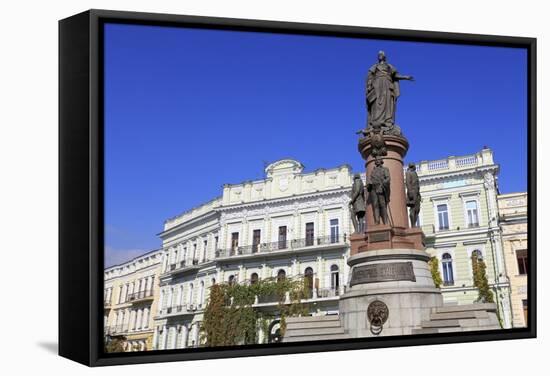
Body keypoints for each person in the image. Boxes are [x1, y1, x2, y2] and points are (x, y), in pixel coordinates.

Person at [366, 51, 414, 130]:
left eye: (381, 55)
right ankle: (376, 121)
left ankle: (387, 121)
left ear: (384, 57)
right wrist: (369, 86)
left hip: (387, 85)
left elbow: (396, 75)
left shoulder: (389, 66)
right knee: (377, 102)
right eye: (379, 55)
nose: (380, 56)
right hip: (377, 85)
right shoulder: (374, 66)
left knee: (387, 103)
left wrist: (405, 77)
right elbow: (370, 77)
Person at [367, 158, 391, 225]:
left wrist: (382, 184)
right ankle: (377, 221)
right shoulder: (373, 171)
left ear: (381, 161)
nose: (376, 161)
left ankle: (385, 221)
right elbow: (371, 179)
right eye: (376, 160)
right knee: (375, 205)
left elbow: (388, 178)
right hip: (373, 189)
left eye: (378, 160)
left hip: (380, 188)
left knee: (382, 205)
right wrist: (369, 184)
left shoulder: (385, 169)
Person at [406, 163, 421, 227]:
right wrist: (410, 192)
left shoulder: (414, 173)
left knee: (417, 209)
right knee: (413, 209)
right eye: (414, 166)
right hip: (412, 192)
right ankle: (413, 225)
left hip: (417, 193)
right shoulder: (408, 173)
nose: (415, 167)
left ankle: (414, 223)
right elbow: (408, 182)